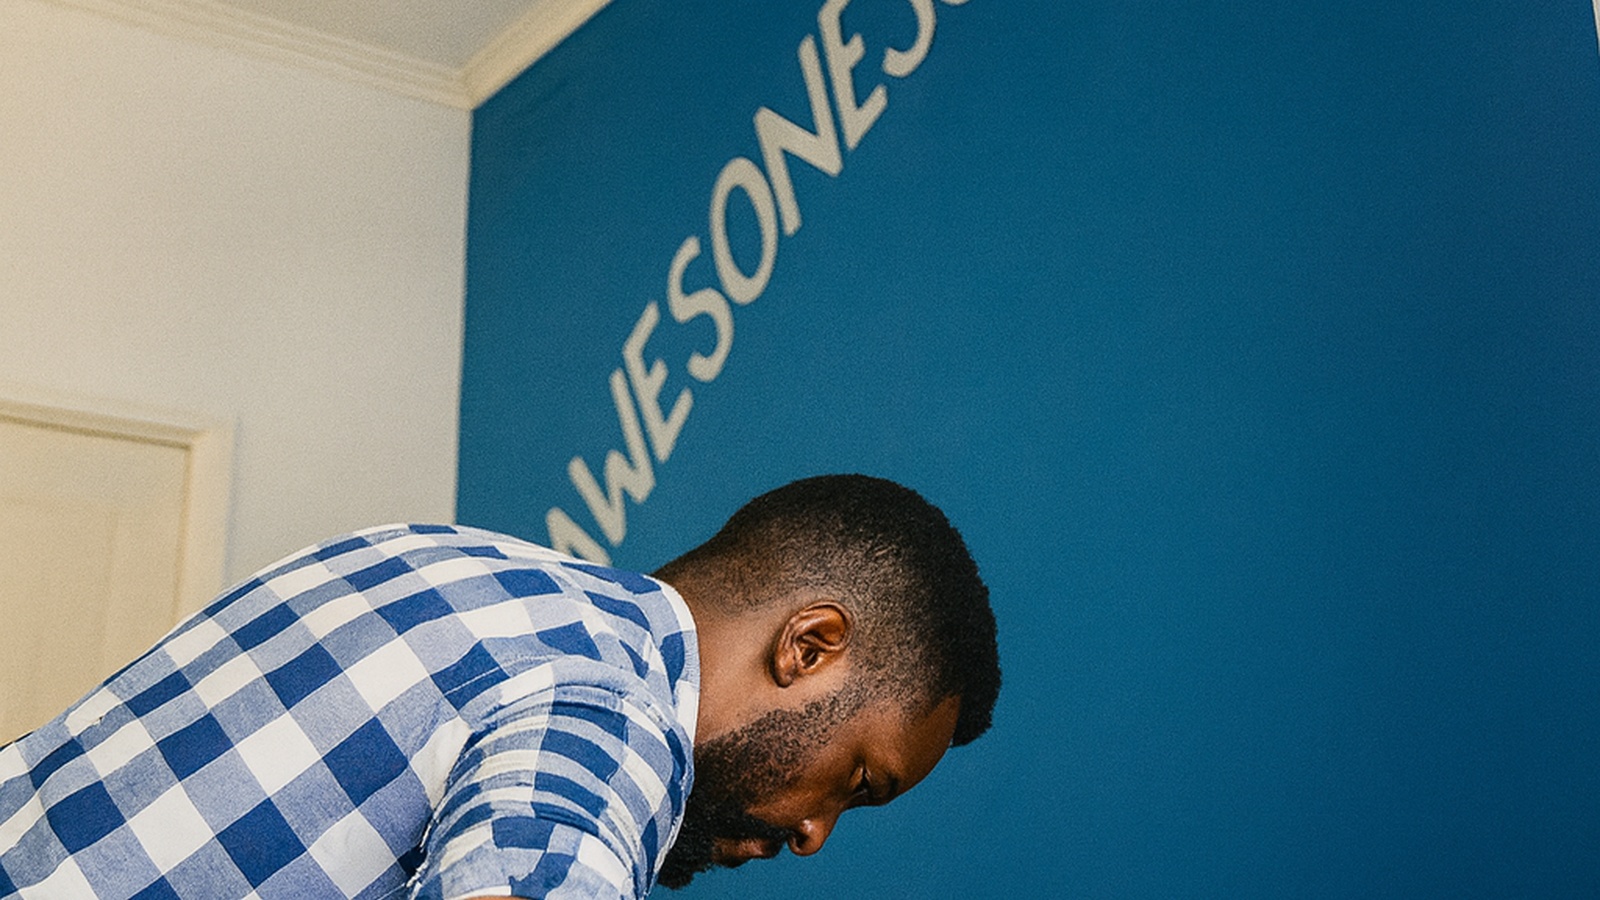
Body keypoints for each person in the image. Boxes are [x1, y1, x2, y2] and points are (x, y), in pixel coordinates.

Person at [0, 474, 1000, 899]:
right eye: (856, 781)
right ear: (811, 645)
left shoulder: (437, 556)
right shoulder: (617, 712)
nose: (815, 834)